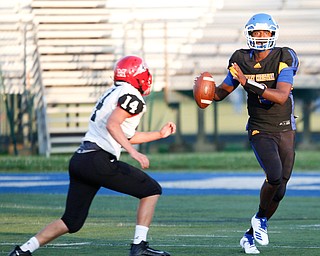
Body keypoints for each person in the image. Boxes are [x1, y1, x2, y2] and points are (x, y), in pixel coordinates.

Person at [8, 55, 175, 256]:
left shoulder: (114, 92)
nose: (147, 78)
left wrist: (159, 134)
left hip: (81, 159)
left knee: (71, 221)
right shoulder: (132, 96)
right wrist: (133, 153)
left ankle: (23, 251)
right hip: (99, 160)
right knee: (151, 189)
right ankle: (139, 246)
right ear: (136, 76)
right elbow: (113, 125)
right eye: (144, 74)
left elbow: (125, 134)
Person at [197, 13, 299, 254]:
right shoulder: (240, 59)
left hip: (285, 127)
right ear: (249, 34)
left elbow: (282, 95)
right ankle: (260, 221)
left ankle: (251, 233)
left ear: (273, 34)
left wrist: (248, 83)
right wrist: (205, 92)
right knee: (273, 175)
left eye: (265, 33)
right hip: (260, 128)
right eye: (256, 33)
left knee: (280, 189)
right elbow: (223, 92)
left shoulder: (285, 56)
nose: (261, 37)